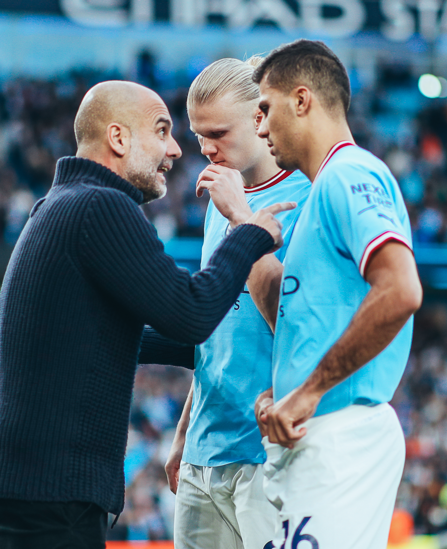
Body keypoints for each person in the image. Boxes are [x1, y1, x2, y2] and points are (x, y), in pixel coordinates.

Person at [0, 80, 294, 549]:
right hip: (53, 488)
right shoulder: (102, 206)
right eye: (163, 131)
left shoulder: (59, 204)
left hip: (26, 482)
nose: (177, 150)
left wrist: (226, 344)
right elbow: (189, 312)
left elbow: (109, 337)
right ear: (119, 139)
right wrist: (248, 232)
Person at [248, 39, 423, 549]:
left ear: (301, 100)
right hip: (320, 435)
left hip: (341, 432)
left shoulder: (349, 174)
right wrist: (286, 387)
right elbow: (306, 317)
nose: (260, 127)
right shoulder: (322, 189)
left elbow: (401, 288)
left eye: (265, 108)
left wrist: (308, 390)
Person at [140, 58, 311, 549]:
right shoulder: (223, 195)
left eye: (218, 132)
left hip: (267, 454)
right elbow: (215, 327)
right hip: (202, 453)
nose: (206, 149)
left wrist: (243, 221)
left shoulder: (307, 196)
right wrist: (184, 432)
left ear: (261, 118)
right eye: (197, 136)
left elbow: (296, 321)